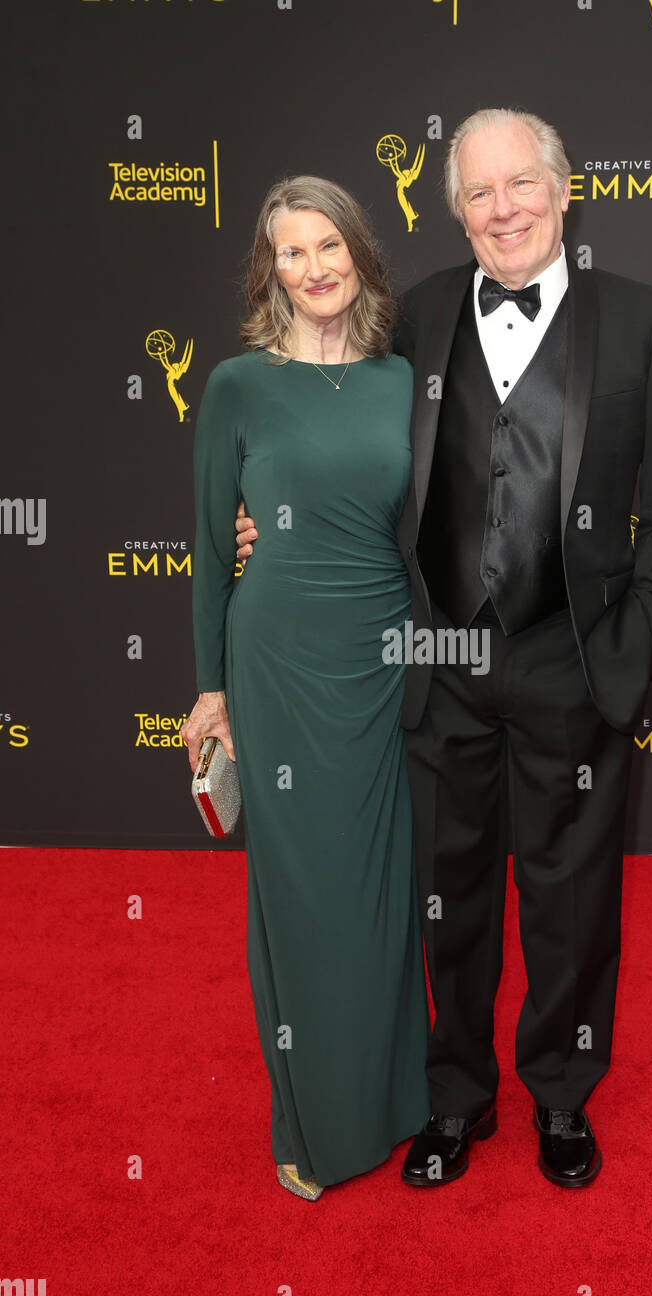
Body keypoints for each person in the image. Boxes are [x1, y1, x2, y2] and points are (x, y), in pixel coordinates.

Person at [236, 109, 652, 1190]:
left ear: (561, 187)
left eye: (518, 186)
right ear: (454, 211)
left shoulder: (642, 323)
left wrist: (621, 656)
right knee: (444, 894)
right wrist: (265, 511)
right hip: (437, 655)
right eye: (477, 194)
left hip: (570, 661)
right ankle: (455, 1095)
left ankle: (557, 1094)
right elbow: (336, 436)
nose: (501, 210)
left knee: (571, 897)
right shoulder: (421, 313)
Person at [182, 176, 430, 1201]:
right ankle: (309, 1119)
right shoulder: (238, 385)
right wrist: (210, 691)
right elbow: (207, 546)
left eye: (328, 246)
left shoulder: (399, 380)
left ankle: (399, 1101)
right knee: (295, 897)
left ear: (357, 256)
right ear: (267, 269)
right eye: (291, 252)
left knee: (377, 892)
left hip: (381, 662)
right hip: (275, 660)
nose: (313, 268)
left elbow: (425, 526)